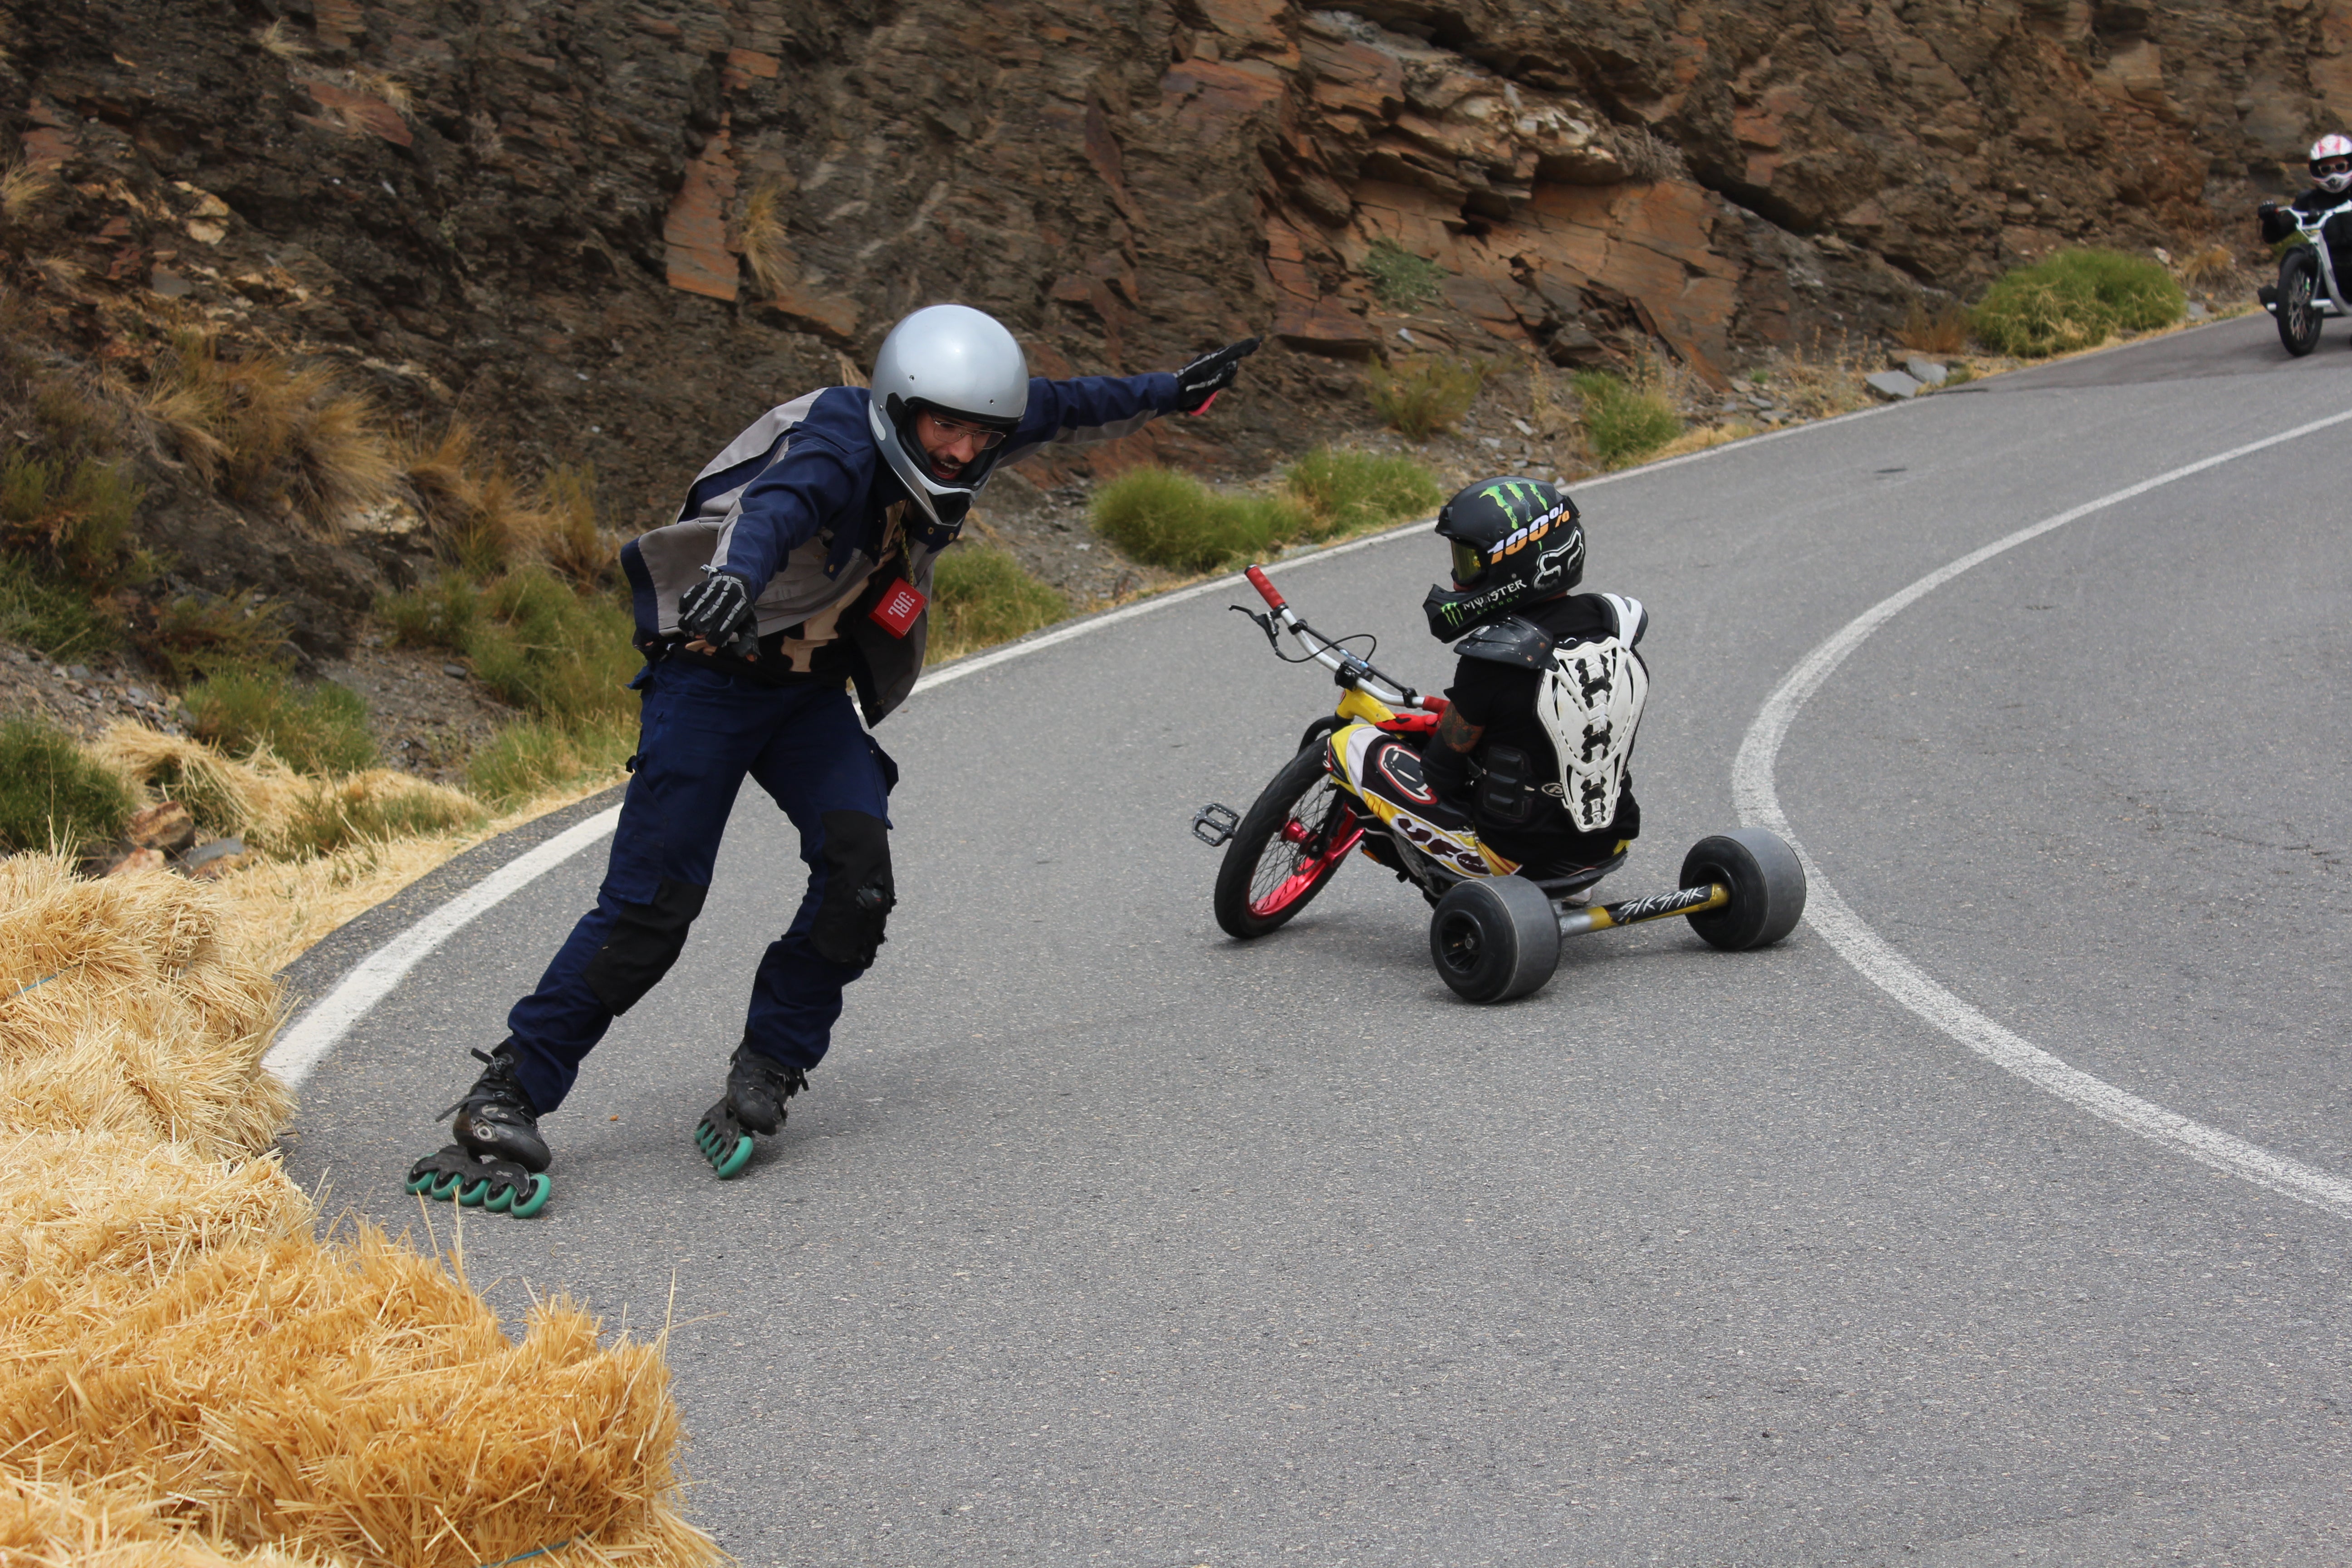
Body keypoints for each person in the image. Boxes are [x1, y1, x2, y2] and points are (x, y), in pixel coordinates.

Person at [412, 307, 1259, 1197]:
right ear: (898, 406)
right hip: (710, 682)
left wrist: (1176, 392)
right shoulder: (841, 440)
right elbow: (779, 505)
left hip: (809, 696)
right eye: (946, 427)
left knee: (860, 879)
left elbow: (1072, 403)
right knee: (653, 911)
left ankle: (768, 1066)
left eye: (982, 435)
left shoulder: (960, 436)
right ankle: (505, 1093)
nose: (964, 451)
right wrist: (734, 577)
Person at [1407, 476, 1647, 888]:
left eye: (1469, 563)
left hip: (1515, 856)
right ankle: (1574, 889)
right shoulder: (1616, 631)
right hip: (1610, 841)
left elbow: (1441, 771)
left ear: (1513, 565)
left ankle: (1438, 879)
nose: (1457, 580)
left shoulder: (1492, 659)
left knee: (1355, 749)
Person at [2259, 132, 2352, 282]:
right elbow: (2273, 236)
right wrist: (2270, 219)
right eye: (2326, 170)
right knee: (2296, 251)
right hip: (2324, 275)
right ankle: (2295, 295)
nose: (2333, 175)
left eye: (2340, 167)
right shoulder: (2308, 201)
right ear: (2316, 170)